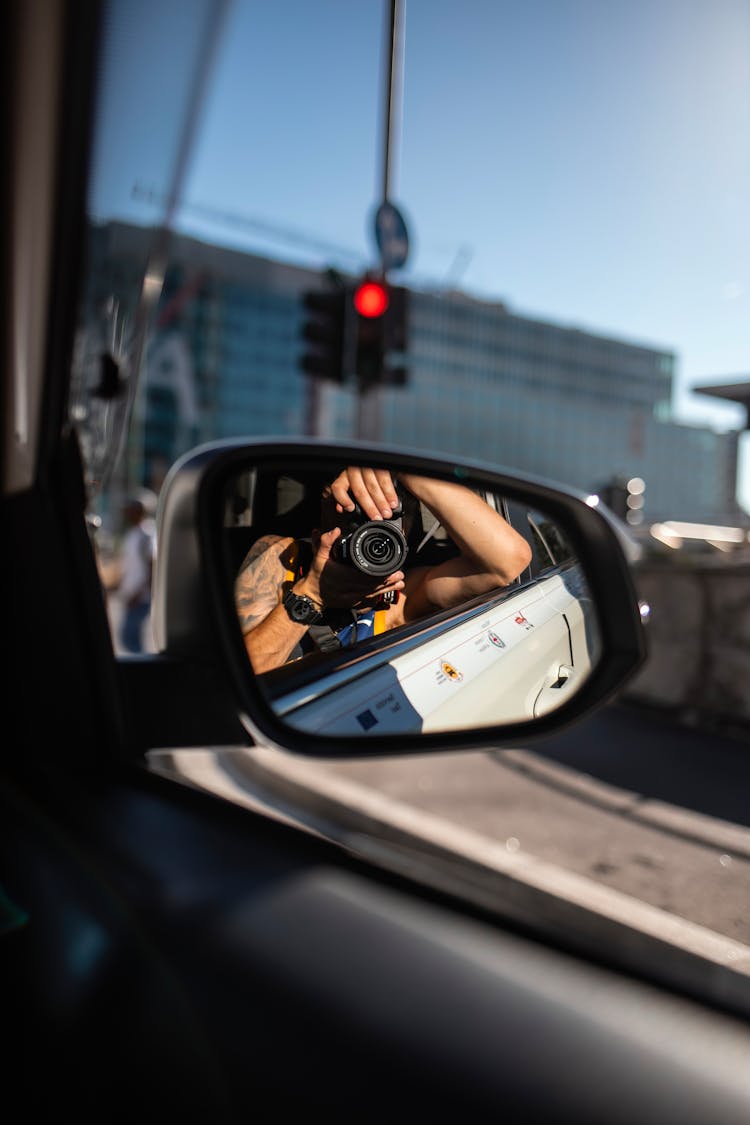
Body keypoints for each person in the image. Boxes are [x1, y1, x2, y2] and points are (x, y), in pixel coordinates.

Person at [235, 466, 532, 675]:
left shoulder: (397, 600)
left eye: (383, 533)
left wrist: (406, 469)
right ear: (316, 538)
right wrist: (312, 592)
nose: (367, 545)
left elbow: (508, 560)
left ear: (402, 546)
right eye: (349, 525)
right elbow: (236, 679)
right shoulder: (285, 560)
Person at [117, 494, 155, 653]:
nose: (126, 514)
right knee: (129, 638)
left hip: (140, 597)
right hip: (132, 595)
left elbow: (151, 566)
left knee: (130, 638)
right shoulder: (133, 533)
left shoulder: (146, 535)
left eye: (129, 510)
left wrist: (139, 593)